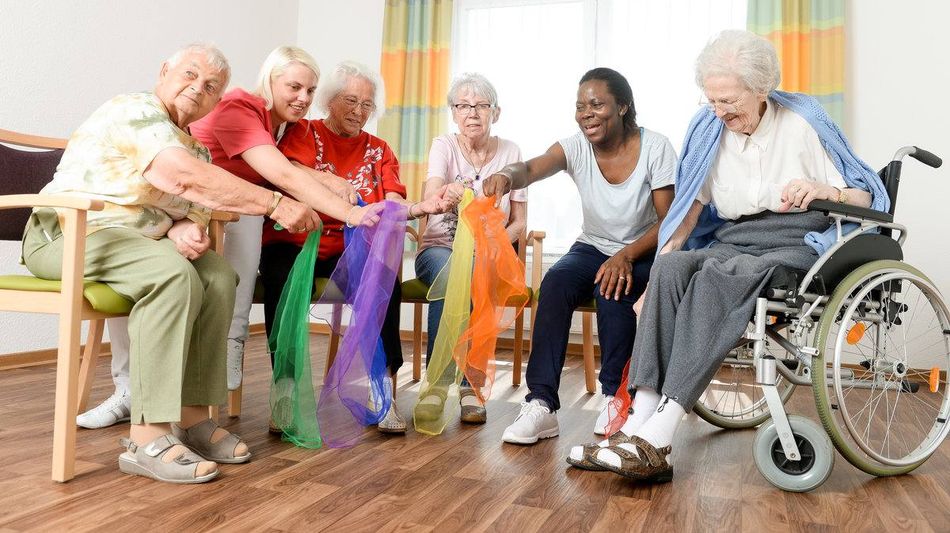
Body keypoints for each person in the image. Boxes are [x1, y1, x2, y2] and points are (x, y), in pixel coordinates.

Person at [569, 30, 887, 481]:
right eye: (711, 100)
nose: (718, 112)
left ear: (761, 89)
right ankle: (637, 419)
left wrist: (825, 190)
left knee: (720, 274)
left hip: (796, 240)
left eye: (729, 101)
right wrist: (662, 262)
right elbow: (689, 208)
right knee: (676, 267)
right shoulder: (708, 128)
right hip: (735, 236)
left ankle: (662, 431)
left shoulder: (802, 123)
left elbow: (865, 197)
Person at [22, 44, 322, 483]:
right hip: (70, 233)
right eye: (189, 75)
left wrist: (185, 224)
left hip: (133, 242)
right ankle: (146, 436)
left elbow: (195, 197)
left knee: (220, 276)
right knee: (172, 274)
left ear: (216, 100)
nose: (197, 88)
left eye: (211, 87)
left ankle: (193, 417)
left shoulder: (195, 148)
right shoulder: (134, 110)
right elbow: (180, 176)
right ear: (164, 71)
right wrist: (274, 202)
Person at [79, 46, 383, 429]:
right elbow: (282, 176)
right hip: (170, 208)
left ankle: (218, 370)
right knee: (234, 227)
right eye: (293, 86)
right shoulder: (240, 108)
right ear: (269, 82)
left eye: (310, 90)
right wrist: (354, 213)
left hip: (195, 212)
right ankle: (132, 388)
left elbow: (288, 168)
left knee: (235, 244)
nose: (303, 98)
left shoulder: (290, 127)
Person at [483, 68, 677, 445]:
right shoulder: (575, 146)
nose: (586, 113)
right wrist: (507, 175)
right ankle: (541, 404)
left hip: (644, 248)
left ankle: (614, 398)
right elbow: (532, 167)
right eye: (580, 106)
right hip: (593, 244)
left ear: (622, 107)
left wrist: (626, 255)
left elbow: (669, 221)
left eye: (596, 104)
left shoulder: (655, 147)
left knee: (612, 288)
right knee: (555, 282)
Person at [261, 61, 457, 434]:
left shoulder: (379, 150)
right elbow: (283, 170)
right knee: (280, 275)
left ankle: (382, 389)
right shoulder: (304, 132)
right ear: (330, 101)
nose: (358, 111)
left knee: (384, 278)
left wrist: (419, 208)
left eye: (367, 104)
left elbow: (394, 202)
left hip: (349, 249)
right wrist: (330, 181)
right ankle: (284, 389)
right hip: (298, 239)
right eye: (351, 100)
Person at [413, 72, 527, 425]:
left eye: (481, 105)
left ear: (497, 112)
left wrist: (492, 247)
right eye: (463, 105)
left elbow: (520, 222)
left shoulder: (511, 152)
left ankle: (469, 387)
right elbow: (432, 189)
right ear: (453, 112)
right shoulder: (443, 145)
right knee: (452, 273)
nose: (472, 113)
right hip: (439, 247)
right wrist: (440, 194)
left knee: (477, 269)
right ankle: (438, 384)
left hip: (490, 252)